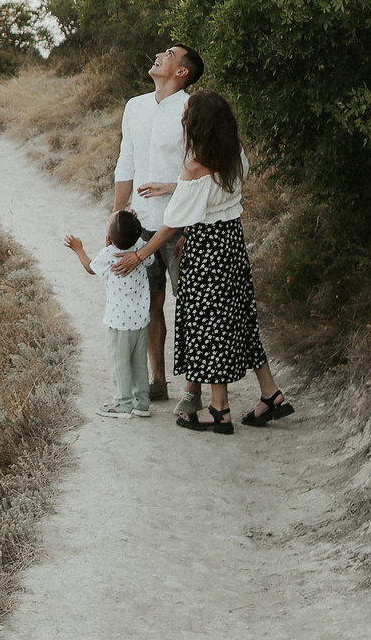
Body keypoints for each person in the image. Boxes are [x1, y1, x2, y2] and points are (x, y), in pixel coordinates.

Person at [113, 90, 291, 433]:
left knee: (207, 324)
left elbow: (172, 224)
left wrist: (139, 254)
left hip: (206, 247)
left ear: (198, 125)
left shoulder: (196, 166)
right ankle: (269, 392)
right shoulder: (235, 155)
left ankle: (219, 409)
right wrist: (174, 189)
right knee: (240, 317)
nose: (183, 120)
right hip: (231, 242)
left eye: (187, 116)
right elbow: (213, 199)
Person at [111, 44, 200, 403]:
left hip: (180, 225)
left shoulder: (192, 108)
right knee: (149, 304)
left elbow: (202, 170)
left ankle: (194, 389)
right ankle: (158, 382)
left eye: (169, 53)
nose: (159, 55)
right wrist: (118, 214)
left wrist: (189, 219)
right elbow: (126, 160)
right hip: (141, 224)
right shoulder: (136, 106)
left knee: (191, 305)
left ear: (182, 71)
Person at [65, 210, 154, 419]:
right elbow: (146, 256)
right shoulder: (141, 248)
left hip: (119, 322)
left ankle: (123, 403)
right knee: (139, 361)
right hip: (141, 319)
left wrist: (79, 249)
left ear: (108, 238)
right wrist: (130, 224)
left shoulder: (108, 255)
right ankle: (142, 402)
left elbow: (90, 268)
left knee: (119, 361)